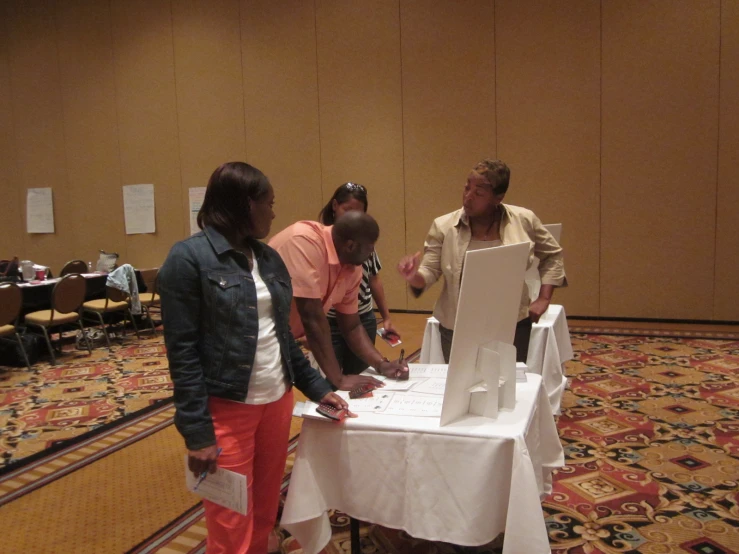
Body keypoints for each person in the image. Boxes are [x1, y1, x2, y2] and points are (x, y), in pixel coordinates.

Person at [159, 162, 351, 554]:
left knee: (264, 513)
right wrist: (196, 432)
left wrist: (318, 389)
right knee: (230, 523)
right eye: (269, 203)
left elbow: (281, 336)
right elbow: (182, 353)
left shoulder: (267, 259)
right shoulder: (188, 259)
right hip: (226, 408)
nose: (273, 212)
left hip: (276, 403)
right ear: (246, 204)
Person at [397, 159, 567, 363]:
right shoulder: (444, 226)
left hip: (512, 323)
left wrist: (544, 299)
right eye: (467, 188)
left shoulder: (524, 220)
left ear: (498, 197)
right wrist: (413, 276)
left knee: (509, 385)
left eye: (478, 193)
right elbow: (429, 271)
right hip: (457, 325)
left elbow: (552, 254)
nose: (468, 197)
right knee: (460, 388)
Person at [269, 211, 408, 389]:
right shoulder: (303, 242)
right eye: (370, 246)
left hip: (283, 343)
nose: (372, 252)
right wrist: (338, 379)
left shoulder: (352, 267)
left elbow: (352, 326)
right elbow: (312, 318)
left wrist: (381, 364)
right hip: (254, 340)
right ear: (350, 246)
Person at [318, 182, 400, 374]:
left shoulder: (365, 241)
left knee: (361, 377)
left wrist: (386, 316)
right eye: (347, 210)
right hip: (329, 321)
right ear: (335, 206)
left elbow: (374, 279)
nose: (352, 218)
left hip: (362, 318)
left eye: (359, 213)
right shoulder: (321, 241)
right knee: (332, 378)